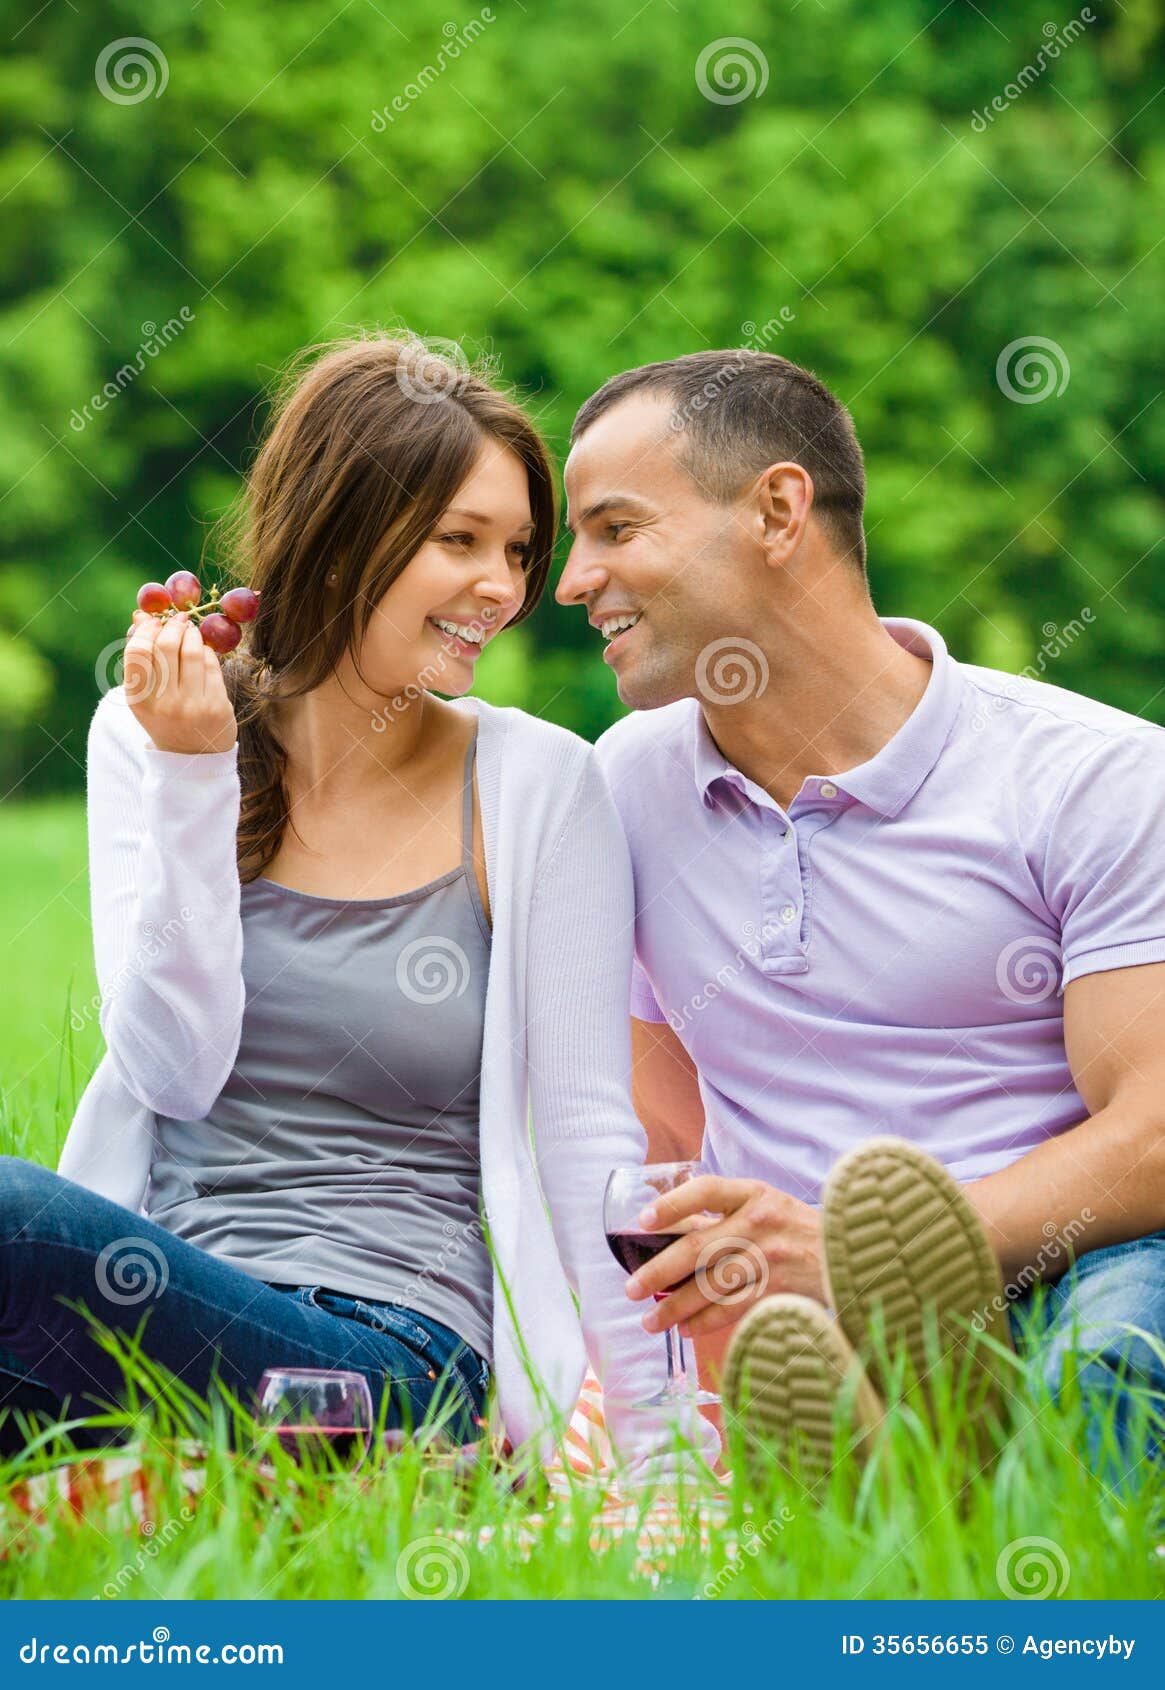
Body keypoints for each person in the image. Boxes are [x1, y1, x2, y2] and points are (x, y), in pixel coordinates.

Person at [0, 335, 718, 1482]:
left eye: (519, 549)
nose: (506, 586)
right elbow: (172, 1071)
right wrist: (192, 773)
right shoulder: (155, 735)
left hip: (387, 1365)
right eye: (461, 541)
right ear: (342, 536)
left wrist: (657, 1454)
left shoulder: (538, 785)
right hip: (155, 1323)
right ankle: (168, 1466)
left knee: (11, 1224)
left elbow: (591, 1135)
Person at [555, 348, 1165, 1486]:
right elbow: (655, 1136)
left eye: (615, 528)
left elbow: (1156, 1136)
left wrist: (852, 1250)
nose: (571, 579)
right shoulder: (626, 786)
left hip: (1066, 1269)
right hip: (789, 1329)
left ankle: (955, 1468)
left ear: (778, 509)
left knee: (1110, 1350)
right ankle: (911, 1458)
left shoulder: (1092, 779)